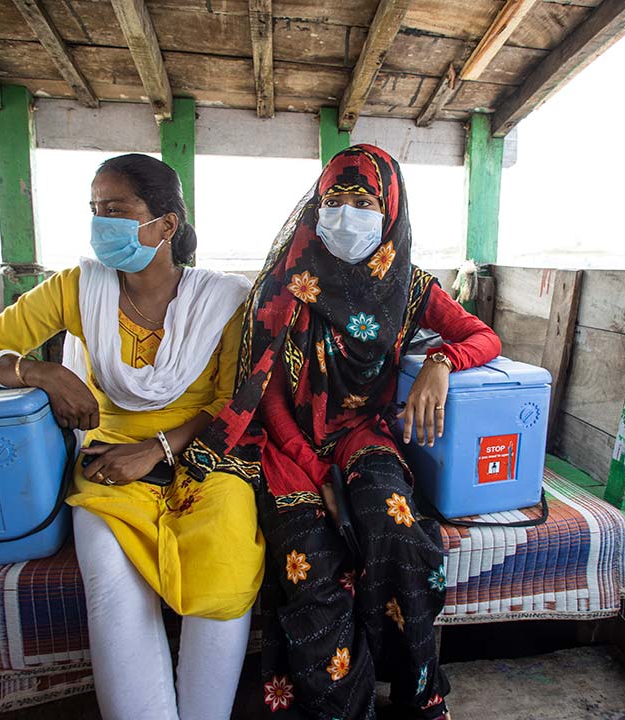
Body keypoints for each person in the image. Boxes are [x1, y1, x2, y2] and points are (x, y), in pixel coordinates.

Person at [179, 145, 501, 719]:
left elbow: (483, 337)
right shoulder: (289, 282)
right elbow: (267, 398)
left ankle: (417, 692)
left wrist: (440, 363)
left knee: (399, 528)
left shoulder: (411, 285)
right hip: (285, 446)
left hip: (363, 432)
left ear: (390, 208)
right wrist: (318, 472)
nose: (347, 214)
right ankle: (343, 710)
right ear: (316, 205)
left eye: (364, 200)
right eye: (335, 199)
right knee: (313, 564)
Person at [0, 154, 264, 720]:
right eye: (95, 211)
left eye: (116, 211)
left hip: (205, 456)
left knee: (226, 564)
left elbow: (227, 403)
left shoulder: (225, 299)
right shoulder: (76, 288)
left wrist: (160, 449)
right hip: (106, 462)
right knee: (114, 586)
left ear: (167, 225)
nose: (101, 225)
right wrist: (41, 372)